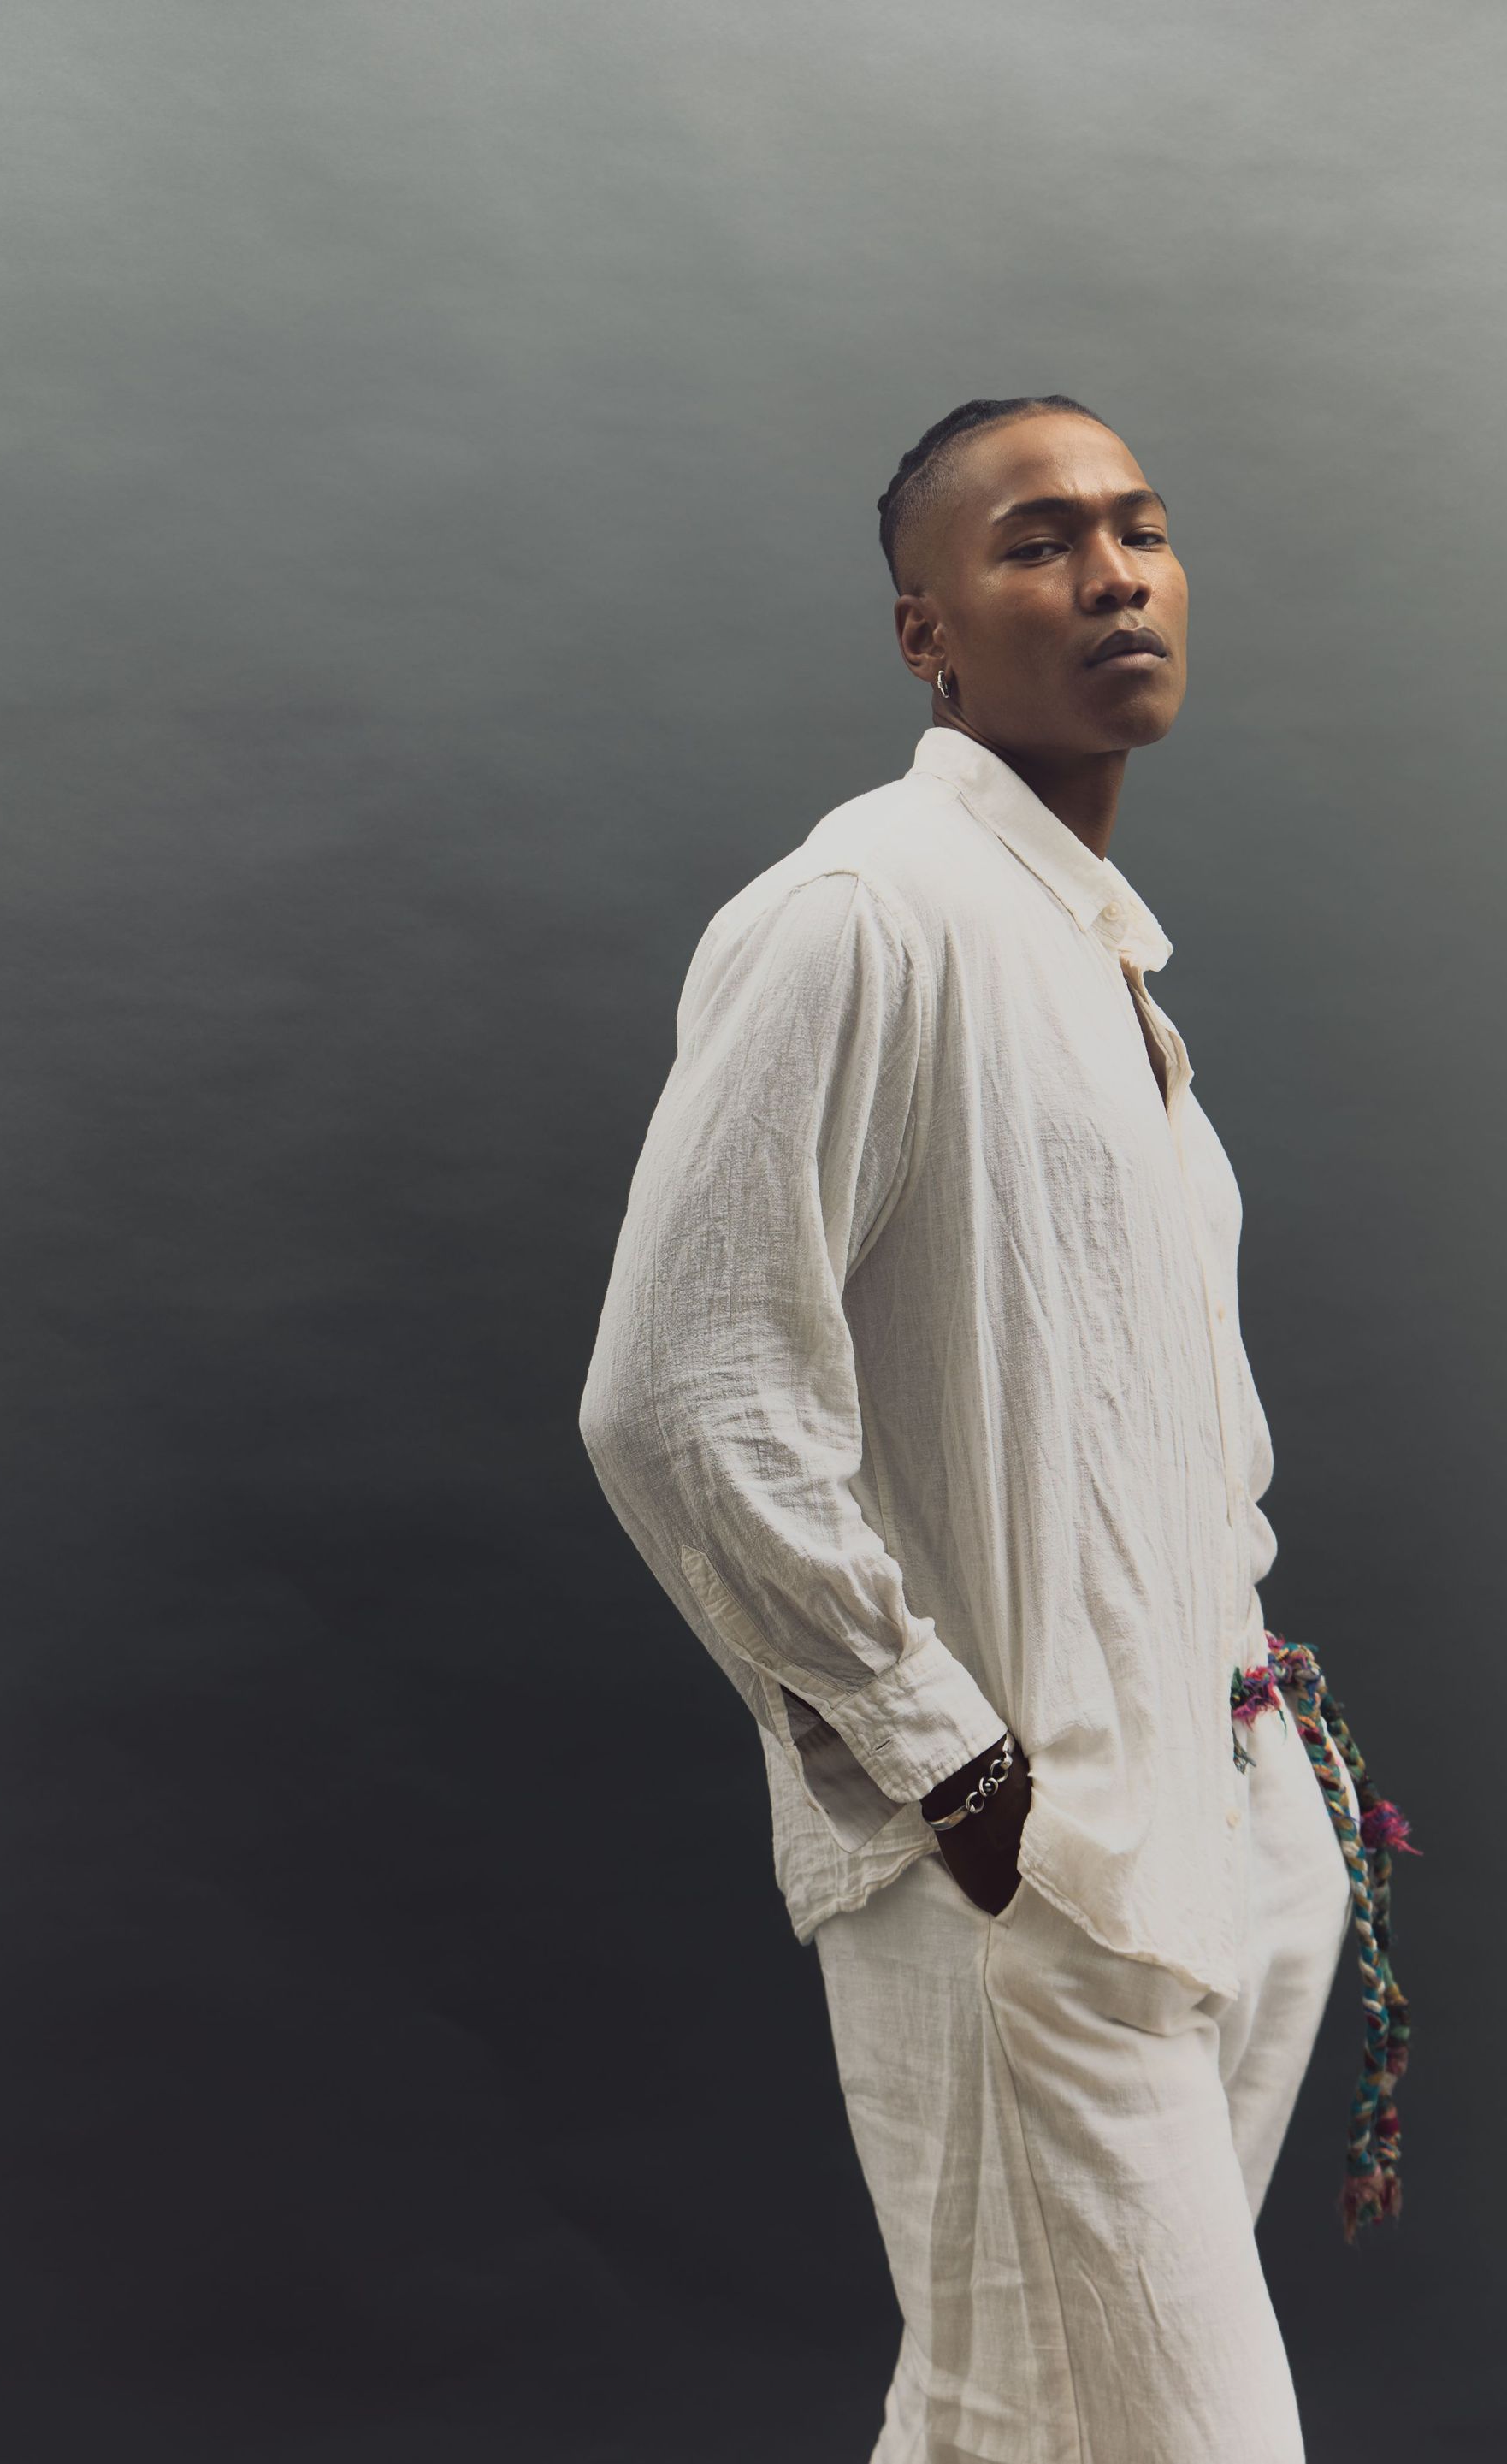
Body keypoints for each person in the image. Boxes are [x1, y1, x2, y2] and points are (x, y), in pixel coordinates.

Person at [576, 395, 1409, 2462]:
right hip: (1027, 1877)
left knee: (1014, 2421)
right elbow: (681, 1387)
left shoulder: (1098, 960)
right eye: (1040, 542)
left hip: (1206, 1835)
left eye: (1141, 527)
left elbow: (1153, 1421)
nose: (1116, 572)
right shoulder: (868, 911)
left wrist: (1264, 1772)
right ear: (922, 634)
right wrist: (940, 1748)